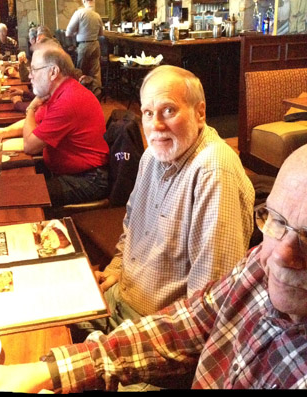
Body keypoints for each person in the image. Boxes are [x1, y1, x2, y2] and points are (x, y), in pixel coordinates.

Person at [0, 144, 307, 391]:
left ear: (200, 112)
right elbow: (187, 324)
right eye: (276, 220)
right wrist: (47, 370)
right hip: (127, 301)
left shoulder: (213, 171)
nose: (281, 255)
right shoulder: (258, 265)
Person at [73, 65, 255, 340]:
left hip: (160, 332)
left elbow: (207, 307)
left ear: (200, 113)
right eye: (148, 113)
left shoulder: (213, 171)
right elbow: (131, 226)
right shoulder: (152, 157)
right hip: (120, 297)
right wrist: (117, 268)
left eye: (168, 110)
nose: (155, 125)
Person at [0, 38, 109, 206]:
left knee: (14, 195)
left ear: (53, 72)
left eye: (34, 69)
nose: (29, 75)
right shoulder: (61, 91)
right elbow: (35, 123)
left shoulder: (69, 100)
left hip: (88, 178)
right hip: (65, 170)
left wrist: (30, 108)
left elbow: (30, 145)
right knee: (4, 180)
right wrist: (1, 133)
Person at [66, 0, 103, 85]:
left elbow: (68, 33)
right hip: (95, 44)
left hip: (84, 45)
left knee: (81, 72)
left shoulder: (79, 13)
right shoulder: (97, 15)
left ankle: (81, 93)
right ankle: (97, 93)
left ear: (84, 1)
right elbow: (101, 34)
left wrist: (78, 32)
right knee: (95, 73)